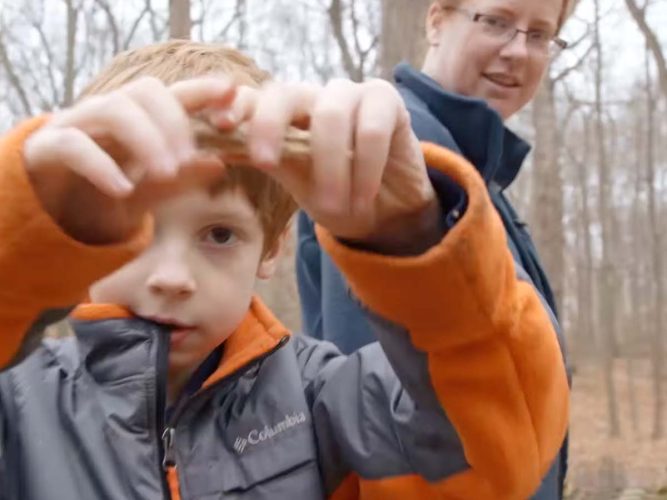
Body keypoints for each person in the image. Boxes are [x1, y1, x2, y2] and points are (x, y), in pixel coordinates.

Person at [0, 40, 568, 500]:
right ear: (82, 232)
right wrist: (18, 232)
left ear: (269, 249)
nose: (172, 276)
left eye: (219, 235)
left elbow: (497, 456)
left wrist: (414, 241)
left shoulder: (326, 402)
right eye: (138, 230)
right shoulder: (19, 402)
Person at [296, 0, 574, 498]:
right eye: (497, 21)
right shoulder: (405, 153)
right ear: (436, 20)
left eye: (539, 35)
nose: (518, 51)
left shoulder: (474, 177)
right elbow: (395, 433)